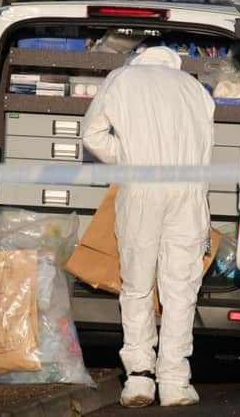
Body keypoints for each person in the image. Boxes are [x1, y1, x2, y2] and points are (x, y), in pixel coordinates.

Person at [82, 46, 215, 407]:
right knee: (180, 289)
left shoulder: (121, 79)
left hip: (141, 189)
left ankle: (139, 379)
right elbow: (206, 152)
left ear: (138, 59)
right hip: (188, 193)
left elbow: (91, 136)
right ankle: (175, 381)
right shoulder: (195, 89)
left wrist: (127, 158)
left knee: (138, 285)